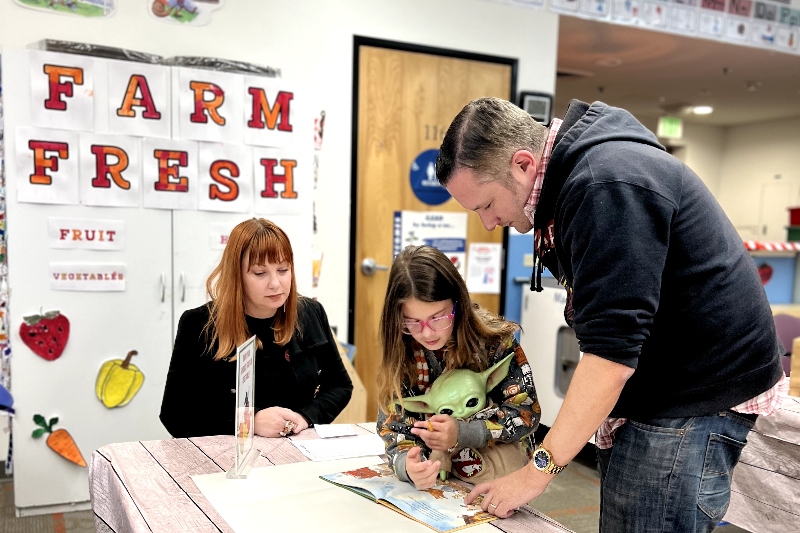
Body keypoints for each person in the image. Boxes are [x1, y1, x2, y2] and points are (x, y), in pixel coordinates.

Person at [436, 97, 788, 531]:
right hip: (661, 383)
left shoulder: (604, 184)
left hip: (692, 393)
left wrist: (536, 472)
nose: (489, 222)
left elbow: (610, 359)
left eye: (486, 205)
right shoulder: (574, 178)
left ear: (524, 164)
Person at [160, 218, 353, 438]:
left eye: (283, 270)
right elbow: (174, 414)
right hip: (228, 457)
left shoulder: (310, 313)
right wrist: (247, 422)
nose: (275, 283)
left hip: (297, 450)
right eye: (260, 273)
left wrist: (305, 416)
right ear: (237, 276)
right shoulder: (199, 324)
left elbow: (340, 386)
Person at [376, 245, 540, 490]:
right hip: (437, 477)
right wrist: (407, 465)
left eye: (438, 317)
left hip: (499, 472)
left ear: (458, 303)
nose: (427, 333)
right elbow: (394, 426)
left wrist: (464, 432)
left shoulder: (494, 341)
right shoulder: (402, 351)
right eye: (412, 322)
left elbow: (526, 414)